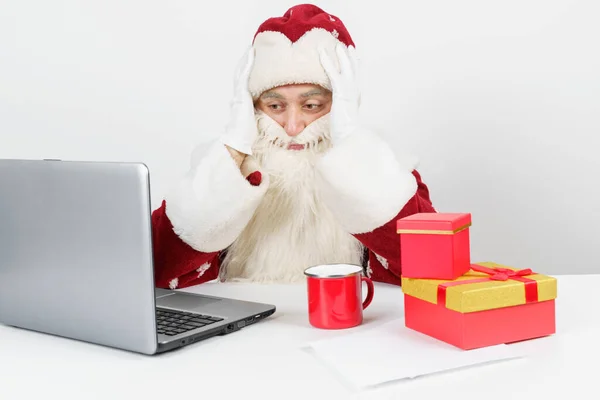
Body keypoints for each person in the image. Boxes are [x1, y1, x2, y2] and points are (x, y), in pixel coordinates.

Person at [150, 4, 436, 290]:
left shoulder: (388, 172)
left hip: (350, 330)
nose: (292, 126)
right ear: (252, 107)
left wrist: (352, 148)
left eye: (312, 105)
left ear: (340, 105)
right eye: (275, 106)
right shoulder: (227, 175)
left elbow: (432, 265)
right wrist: (234, 148)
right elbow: (156, 268)